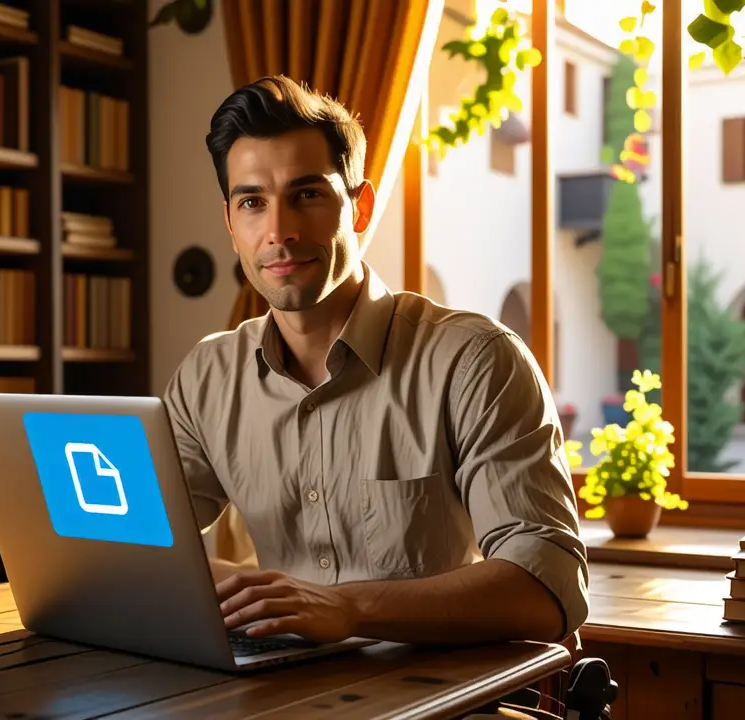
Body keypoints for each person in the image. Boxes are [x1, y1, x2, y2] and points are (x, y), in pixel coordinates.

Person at [163, 75, 588, 649]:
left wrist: (348, 608)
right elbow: (139, 545)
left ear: (359, 207)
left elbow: (548, 587)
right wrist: (241, 592)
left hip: (443, 702)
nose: (280, 232)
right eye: (253, 203)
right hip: (276, 695)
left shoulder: (476, 362)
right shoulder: (206, 378)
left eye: (308, 195)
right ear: (231, 223)